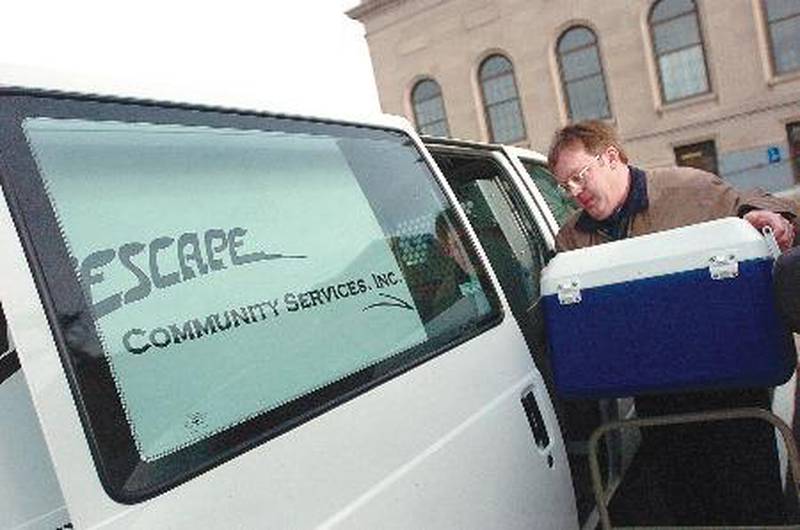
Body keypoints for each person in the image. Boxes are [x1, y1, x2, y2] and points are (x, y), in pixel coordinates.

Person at [547, 120, 799, 526]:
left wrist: (763, 217)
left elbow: (748, 203)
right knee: (683, 502)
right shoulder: (572, 240)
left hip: (731, 385)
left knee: (751, 499)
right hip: (655, 396)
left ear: (611, 157)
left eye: (579, 177)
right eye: (565, 186)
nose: (575, 193)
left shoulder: (687, 189)